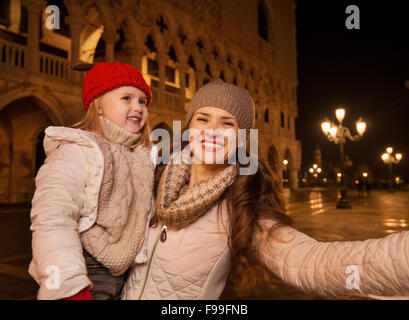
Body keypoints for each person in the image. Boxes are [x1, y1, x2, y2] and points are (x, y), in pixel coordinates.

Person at [122, 79, 409, 300]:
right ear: (188, 127)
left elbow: (309, 263)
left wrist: (400, 260)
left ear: (241, 138)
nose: (212, 131)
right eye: (203, 118)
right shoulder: (153, 178)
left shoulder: (242, 203)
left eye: (227, 123)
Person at [29, 62, 156, 300]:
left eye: (142, 101)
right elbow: (53, 216)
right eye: (126, 98)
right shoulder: (78, 149)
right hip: (89, 271)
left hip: (131, 275)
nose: (137, 107)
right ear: (98, 106)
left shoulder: (142, 157)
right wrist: (69, 286)